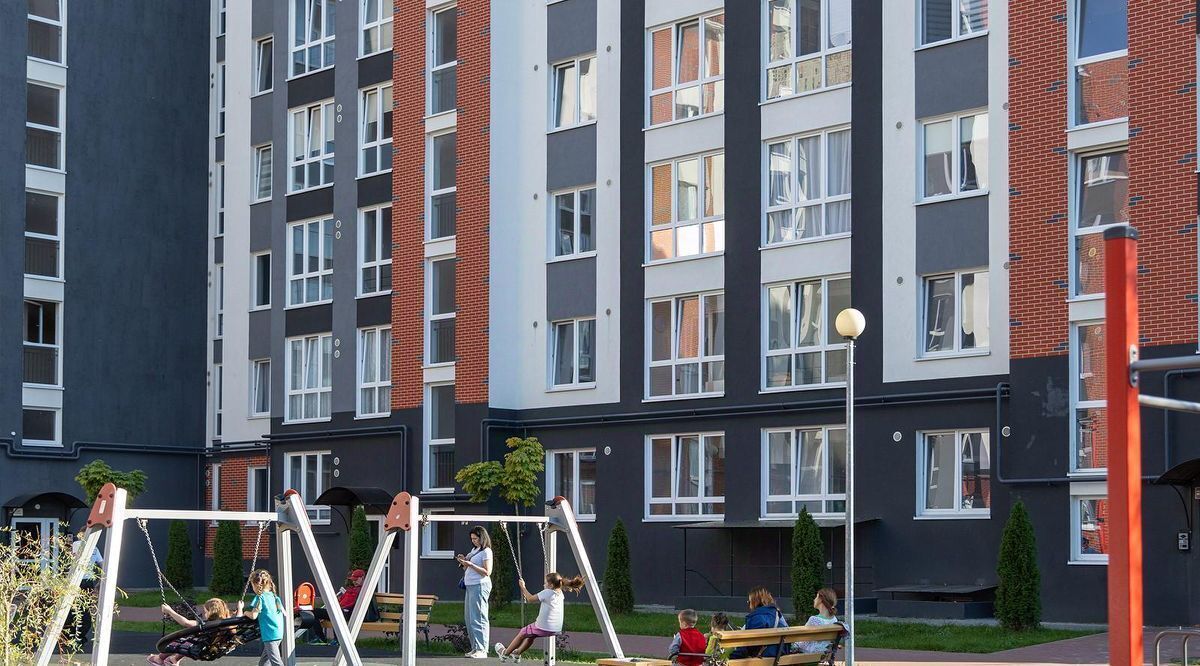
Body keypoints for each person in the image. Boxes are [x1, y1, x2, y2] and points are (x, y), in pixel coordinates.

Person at [494, 573, 585, 662]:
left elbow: (530, 599)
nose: (543, 584)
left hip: (543, 627)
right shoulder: (560, 593)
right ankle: (517, 653)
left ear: (551, 585)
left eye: (545, 583)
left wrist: (523, 587)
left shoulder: (547, 592)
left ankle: (505, 654)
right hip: (555, 629)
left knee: (522, 633)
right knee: (531, 636)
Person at [147, 598, 230, 665]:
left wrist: (169, 611)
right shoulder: (230, 625)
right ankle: (174, 659)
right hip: (215, 651)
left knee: (179, 641)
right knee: (193, 638)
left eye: (206, 612)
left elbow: (186, 622)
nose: (205, 614)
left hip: (199, 650)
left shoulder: (208, 625)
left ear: (211, 612)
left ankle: (159, 659)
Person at [456, 526, 493, 658]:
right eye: (472, 539)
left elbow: (487, 572)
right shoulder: (474, 550)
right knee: (470, 618)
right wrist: (464, 561)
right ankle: (475, 647)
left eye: (476, 539)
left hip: (480, 585)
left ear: (482, 538)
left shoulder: (486, 551)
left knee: (479, 617)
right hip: (470, 585)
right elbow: (467, 568)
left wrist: (471, 564)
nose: (473, 541)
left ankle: (482, 649)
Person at [240, 569, 285, 666]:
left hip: (270, 634)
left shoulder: (260, 598)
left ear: (256, 585)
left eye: (252, 585)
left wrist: (245, 612)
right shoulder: (273, 596)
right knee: (264, 662)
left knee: (276, 662)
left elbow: (253, 615)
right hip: (278, 632)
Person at [309, 568, 366, 644]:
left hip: (349, 612)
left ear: (362, 578)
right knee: (313, 612)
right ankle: (320, 637)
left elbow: (354, 604)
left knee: (337, 614)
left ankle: (337, 640)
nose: (354, 582)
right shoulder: (350, 589)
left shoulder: (364, 590)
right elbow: (340, 600)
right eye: (353, 580)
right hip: (339, 610)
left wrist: (339, 608)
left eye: (356, 580)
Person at [730, 587, 788, 659]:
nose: (749, 605)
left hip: (763, 658)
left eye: (749, 602)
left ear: (755, 602)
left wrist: (732, 657)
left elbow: (748, 646)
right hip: (780, 656)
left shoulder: (757, 618)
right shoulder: (777, 614)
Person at [71, 530, 104, 641]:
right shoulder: (95, 548)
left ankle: (70, 634)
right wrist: (100, 581)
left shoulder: (76, 544)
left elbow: (72, 559)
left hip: (77, 580)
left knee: (73, 607)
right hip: (88, 581)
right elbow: (103, 565)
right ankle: (81, 635)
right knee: (85, 609)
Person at [791, 588, 840, 654]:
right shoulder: (834, 619)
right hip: (824, 653)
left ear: (821, 600)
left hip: (810, 654)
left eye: (816, 597)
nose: (814, 600)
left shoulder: (814, 620)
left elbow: (803, 640)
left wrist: (794, 645)